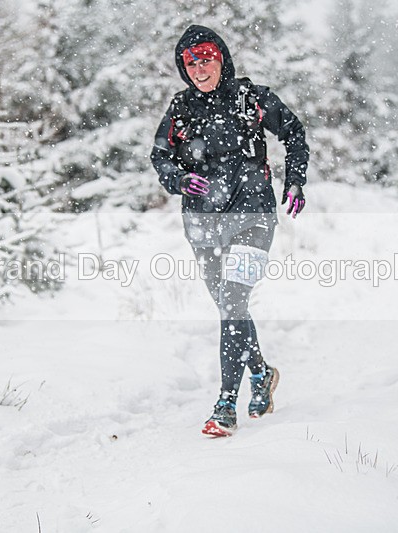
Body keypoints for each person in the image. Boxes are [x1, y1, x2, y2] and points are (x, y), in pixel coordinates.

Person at [150, 25, 309, 437]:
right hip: (203, 220)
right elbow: (160, 155)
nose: (200, 69)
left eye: (206, 58)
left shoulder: (250, 97)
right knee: (229, 308)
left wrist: (295, 180)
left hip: (253, 213)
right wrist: (180, 181)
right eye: (191, 62)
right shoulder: (181, 107)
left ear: (221, 57)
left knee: (234, 300)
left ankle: (225, 404)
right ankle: (261, 373)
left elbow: (293, 132)